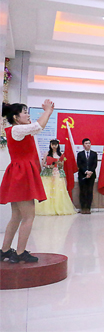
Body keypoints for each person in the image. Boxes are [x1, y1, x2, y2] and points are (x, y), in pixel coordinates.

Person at [1, 99, 54, 264]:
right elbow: (39, 126)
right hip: (22, 174)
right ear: (16, 118)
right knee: (29, 216)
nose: (28, 115)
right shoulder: (17, 129)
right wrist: (48, 111)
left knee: (16, 216)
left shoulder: (17, 130)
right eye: (25, 112)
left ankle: (4, 250)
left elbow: (36, 127)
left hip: (18, 173)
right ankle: (20, 253)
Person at [36, 139, 77, 216]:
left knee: (58, 190)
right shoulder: (47, 153)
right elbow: (43, 163)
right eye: (52, 144)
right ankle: (47, 208)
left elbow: (62, 164)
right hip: (48, 173)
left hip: (57, 173)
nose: (54, 146)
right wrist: (49, 166)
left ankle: (59, 208)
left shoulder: (61, 154)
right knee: (48, 190)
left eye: (55, 144)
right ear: (50, 145)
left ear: (58, 145)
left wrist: (59, 163)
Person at [77, 138, 98, 214]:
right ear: (83, 145)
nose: (88, 145)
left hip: (91, 176)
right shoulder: (80, 154)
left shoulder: (94, 154)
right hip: (82, 175)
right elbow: (79, 164)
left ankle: (88, 208)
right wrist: (86, 172)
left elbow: (95, 164)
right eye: (86, 143)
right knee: (83, 191)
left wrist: (90, 172)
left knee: (89, 191)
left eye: (89, 143)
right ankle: (83, 208)